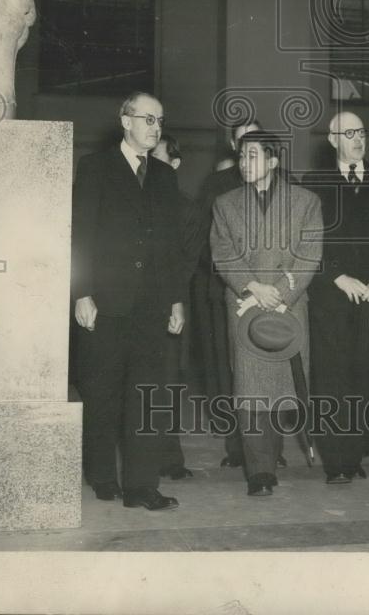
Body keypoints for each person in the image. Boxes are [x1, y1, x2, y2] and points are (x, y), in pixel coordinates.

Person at [71, 92, 186, 511]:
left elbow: (171, 246)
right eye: (147, 119)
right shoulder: (95, 168)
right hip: (105, 301)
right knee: (102, 393)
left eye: (160, 120)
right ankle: (102, 475)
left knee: (148, 395)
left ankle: (142, 485)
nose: (155, 128)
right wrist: (81, 292)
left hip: (150, 305)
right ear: (125, 120)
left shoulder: (164, 176)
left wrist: (175, 301)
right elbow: (80, 236)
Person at [210, 131, 322, 496]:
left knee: (280, 388)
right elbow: (222, 253)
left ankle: (269, 456)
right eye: (242, 156)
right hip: (246, 305)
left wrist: (284, 294)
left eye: (253, 156)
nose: (245, 163)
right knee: (250, 388)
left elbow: (310, 254)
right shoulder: (224, 204)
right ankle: (260, 472)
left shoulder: (306, 202)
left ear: (274, 162)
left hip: (289, 305)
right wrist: (254, 288)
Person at [303, 112, 369, 484]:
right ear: (333, 139)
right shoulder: (314, 182)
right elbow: (306, 240)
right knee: (331, 377)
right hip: (333, 297)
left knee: (363, 373)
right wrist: (335, 276)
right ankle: (334, 459)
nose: (358, 139)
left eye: (362, 132)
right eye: (349, 133)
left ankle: (355, 452)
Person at [194, 119, 262, 467]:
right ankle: (238, 446)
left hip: (269, 297)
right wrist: (240, 278)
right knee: (229, 371)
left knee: (265, 371)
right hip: (226, 293)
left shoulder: (280, 182)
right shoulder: (217, 186)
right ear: (234, 147)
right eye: (242, 141)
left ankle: (265, 449)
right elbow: (205, 243)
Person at [151, 133, 204, 480]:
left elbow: (186, 264)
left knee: (168, 382)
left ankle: (170, 458)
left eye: (158, 160)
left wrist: (170, 299)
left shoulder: (188, 209)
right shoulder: (133, 202)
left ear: (175, 164)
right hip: (132, 305)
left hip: (170, 304)